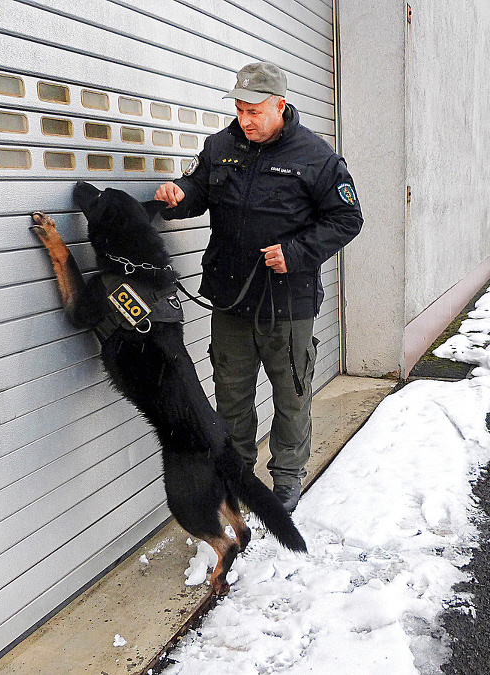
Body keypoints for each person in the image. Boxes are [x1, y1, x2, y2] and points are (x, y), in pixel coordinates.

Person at [154, 61, 362, 513]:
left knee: (291, 395)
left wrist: (297, 252)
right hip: (230, 299)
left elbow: (347, 219)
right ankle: (237, 474)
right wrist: (176, 198)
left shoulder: (316, 157)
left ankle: (287, 479)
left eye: (254, 111)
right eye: (240, 109)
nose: (244, 120)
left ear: (280, 106)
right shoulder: (220, 147)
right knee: (231, 396)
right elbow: (196, 192)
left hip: (287, 303)